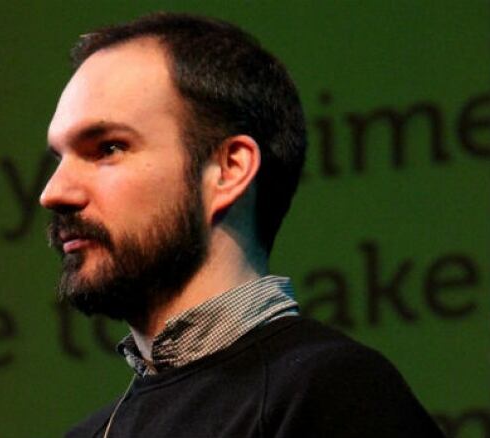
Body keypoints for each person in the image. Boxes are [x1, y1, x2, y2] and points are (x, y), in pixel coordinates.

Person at [40, 12, 444, 438]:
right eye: (58, 158)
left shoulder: (334, 395)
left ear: (229, 169)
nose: (53, 192)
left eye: (108, 148)